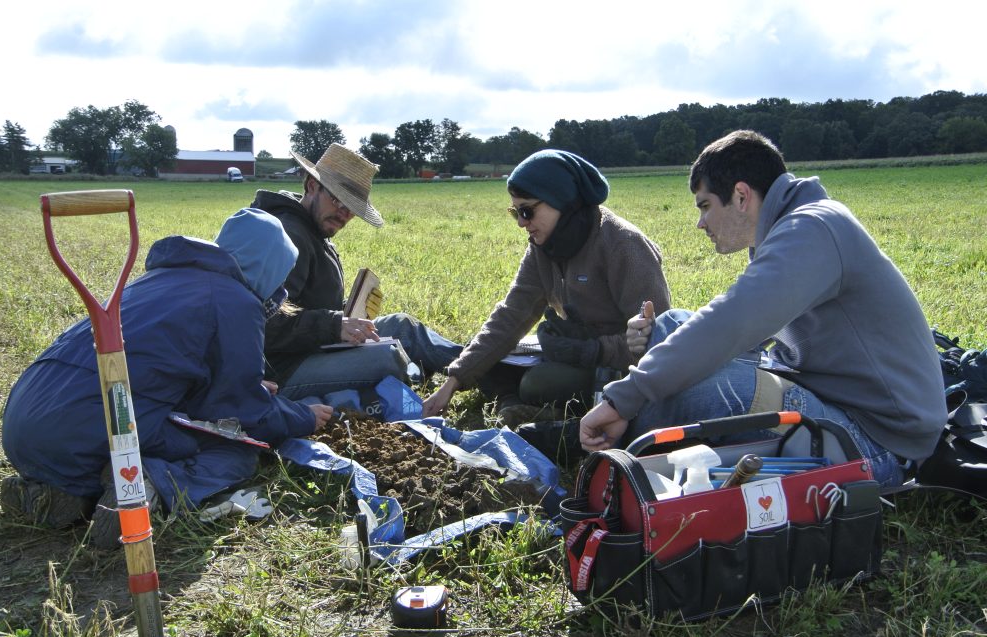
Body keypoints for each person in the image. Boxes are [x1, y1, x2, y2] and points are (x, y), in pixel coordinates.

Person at [580, 130, 947, 487]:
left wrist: (625, 397)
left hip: (877, 442)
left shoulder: (813, 229)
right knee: (672, 324)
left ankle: (608, 460)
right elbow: (746, 335)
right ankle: (624, 441)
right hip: (831, 398)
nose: (700, 223)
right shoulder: (795, 227)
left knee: (696, 387)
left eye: (705, 206)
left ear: (741, 195)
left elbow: (731, 322)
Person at [0, 208, 334, 548]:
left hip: (24, 426)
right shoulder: (236, 300)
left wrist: (238, 384)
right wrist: (302, 415)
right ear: (269, 266)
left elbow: (161, 370)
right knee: (235, 451)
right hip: (94, 427)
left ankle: (60, 496)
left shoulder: (157, 281)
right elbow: (242, 411)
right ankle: (148, 486)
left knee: (126, 432)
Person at [423, 149, 672, 427]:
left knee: (538, 384)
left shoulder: (624, 245)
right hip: (572, 353)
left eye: (527, 211)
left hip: (616, 367)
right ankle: (515, 405)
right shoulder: (543, 247)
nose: (521, 222)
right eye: (515, 212)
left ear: (561, 202)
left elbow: (659, 341)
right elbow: (511, 314)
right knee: (479, 356)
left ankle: (554, 408)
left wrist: (593, 350)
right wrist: (454, 380)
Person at [251, 143, 462, 401]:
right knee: (388, 357)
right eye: (338, 200)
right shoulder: (289, 236)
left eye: (352, 208)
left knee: (402, 327)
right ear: (311, 186)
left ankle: (482, 363)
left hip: (315, 347)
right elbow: (263, 324)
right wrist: (335, 324)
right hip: (282, 370)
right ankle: (476, 370)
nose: (344, 214)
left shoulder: (313, 228)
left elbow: (306, 305)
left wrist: (353, 312)